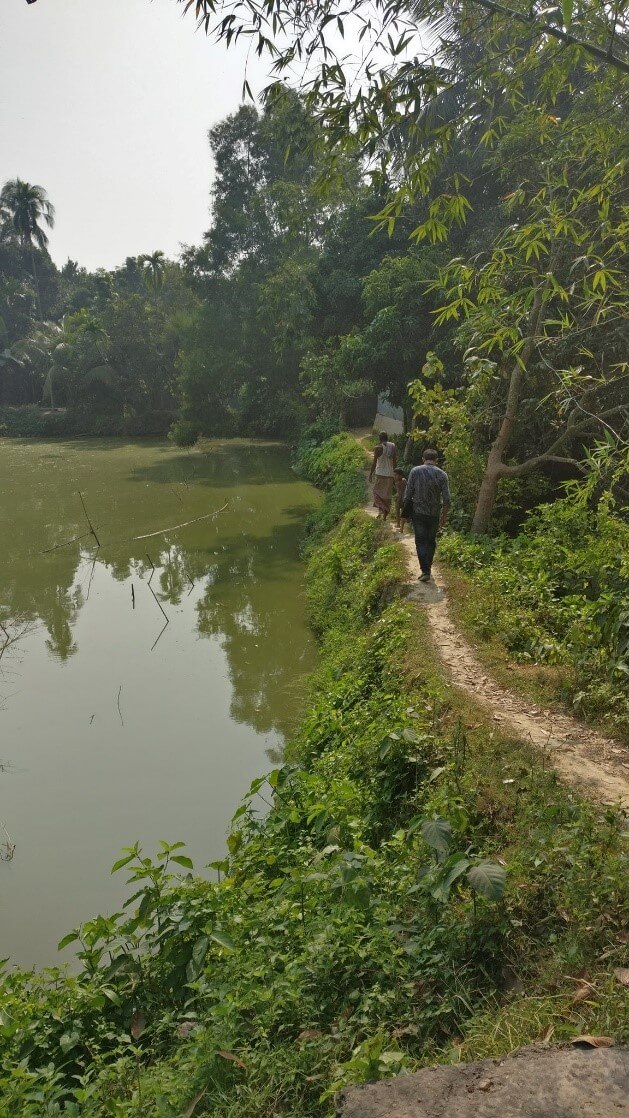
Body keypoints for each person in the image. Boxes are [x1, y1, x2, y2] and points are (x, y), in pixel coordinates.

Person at [403, 448, 451, 582]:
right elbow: (447, 499)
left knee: (420, 541)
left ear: (423, 459)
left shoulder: (415, 471)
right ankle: (427, 568)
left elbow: (408, 493)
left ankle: (425, 571)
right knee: (431, 541)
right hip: (434, 513)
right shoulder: (442, 474)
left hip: (418, 512)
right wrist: (444, 516)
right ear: (436, 460)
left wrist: (405, 511)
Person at [369, 431, 397, 519]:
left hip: (380, 473)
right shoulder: (393, 447)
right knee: (387, 495)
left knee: (377, 493)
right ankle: (384, 514)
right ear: (387, 437)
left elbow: (374, 463)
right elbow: (395, 462)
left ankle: (381, 510)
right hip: (390, 473)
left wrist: (370, 474)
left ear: (379, 439)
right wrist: (395, 473)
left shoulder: (378, 448)